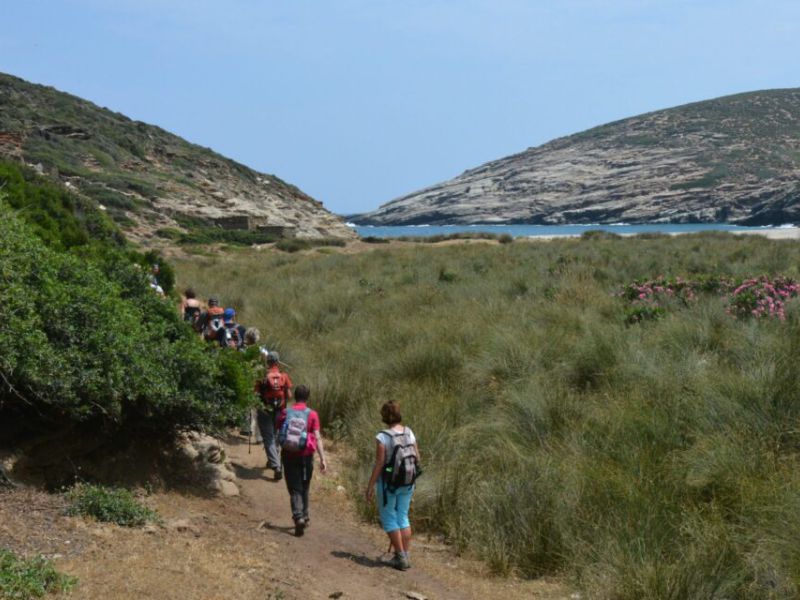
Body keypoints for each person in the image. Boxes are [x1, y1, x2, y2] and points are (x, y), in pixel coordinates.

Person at [365, 401, 420, 571]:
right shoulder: (409, 432)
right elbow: (417, 458)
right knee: (403, 517)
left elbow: (380, 463)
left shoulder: (383, 437)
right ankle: (404, 555)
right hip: (408, 482)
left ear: (384, 416)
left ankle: (400, 557)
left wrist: (370, 487)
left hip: (388, 484)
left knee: (389, 518)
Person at [277, 385, 327, 536]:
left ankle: (298, 516)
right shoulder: (312, 414)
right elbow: (317, 437)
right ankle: (304, 516)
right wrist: (323, 458)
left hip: (289, 454)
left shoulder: (286, 412)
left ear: (295, 397)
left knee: (294, 487)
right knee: (305, 485)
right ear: (307, 397)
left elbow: (278, 429)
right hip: (306, 456)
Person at [255, 352, 293, 480]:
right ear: (277, 362)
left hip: (265, 409)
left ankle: (276, 465)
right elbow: (289, 396)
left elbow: (255, 392)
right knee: (276, 435)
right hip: (280, 411)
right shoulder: (284, 376)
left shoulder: (262, 376)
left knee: (268, 437)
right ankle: (274, 460)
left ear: (267, 362)